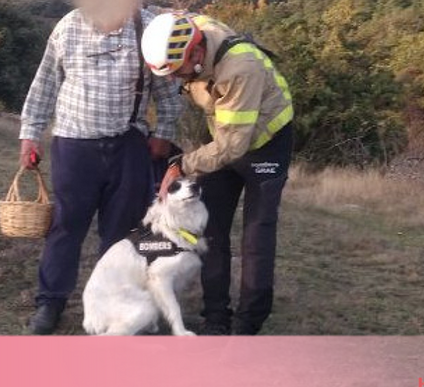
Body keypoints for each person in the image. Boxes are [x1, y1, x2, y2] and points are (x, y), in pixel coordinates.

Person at [19, 0, 182, 335]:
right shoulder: (68, 26)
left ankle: (117, 303)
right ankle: (50, 302)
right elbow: (45, 83)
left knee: (122, 235)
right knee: (66, 226)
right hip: (74, 145)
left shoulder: (150, 29)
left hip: (128, 146)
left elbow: (168, 93)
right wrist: (29, 136)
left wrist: (164, 135)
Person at [142, 12, 294, 335]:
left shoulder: (241, 68)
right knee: (210, 226)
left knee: (257, 234)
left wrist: (181, 164)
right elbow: (171, 18)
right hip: (228, 134)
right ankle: (215, 318)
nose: (173, 79)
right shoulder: (189, 30)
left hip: (266, 143)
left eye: (177, 71)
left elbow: (231, 148)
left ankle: (248, 323)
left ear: (196, 52)